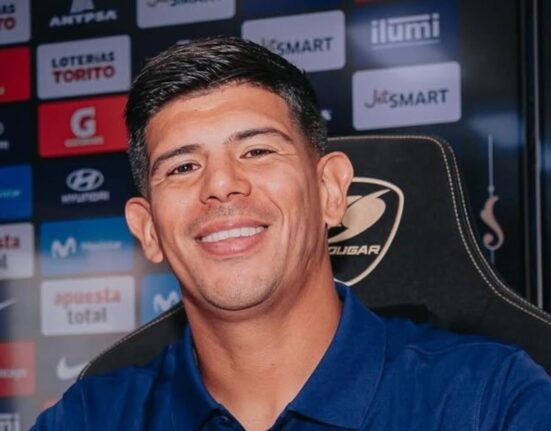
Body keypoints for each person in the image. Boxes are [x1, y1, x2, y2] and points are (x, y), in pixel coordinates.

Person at [32, 36, 551, 431]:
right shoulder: (88, 419)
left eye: (257, 151)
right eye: (183, 166)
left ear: (330, 191)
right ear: (148, 230)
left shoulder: (491, 400)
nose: (221, 185)